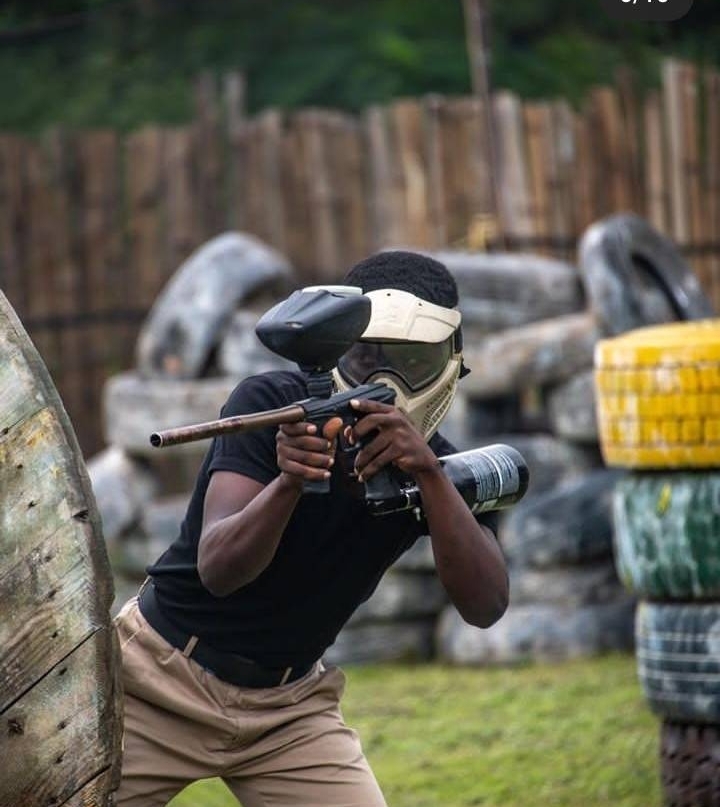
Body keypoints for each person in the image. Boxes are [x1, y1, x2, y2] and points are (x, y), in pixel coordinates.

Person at [113, 250, 509, 807]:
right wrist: (290, 482)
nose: (385, 383)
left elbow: (486, 606)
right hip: (159, 681)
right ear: (337, 348)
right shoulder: (272, 407)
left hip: (289, 709)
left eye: (411, 362)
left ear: (451, 364)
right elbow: (219, 570)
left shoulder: (438, 468)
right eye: (369, 356)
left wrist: (428, 476)